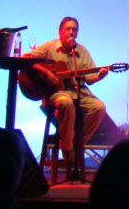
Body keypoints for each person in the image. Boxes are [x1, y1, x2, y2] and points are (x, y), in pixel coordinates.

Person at [25, 16, 107, 165]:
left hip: (78, 91)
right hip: (56, 92)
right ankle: (67, 150)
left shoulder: (81, 51)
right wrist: (46, 73)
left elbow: (90, 79)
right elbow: (26, 58)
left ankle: (77, 146)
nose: (71, 32)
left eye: (74, 29)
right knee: (66, 103)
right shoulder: (49, 47)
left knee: (99, 107)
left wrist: (100, 75)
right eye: (67, 29)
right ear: (60, 31)